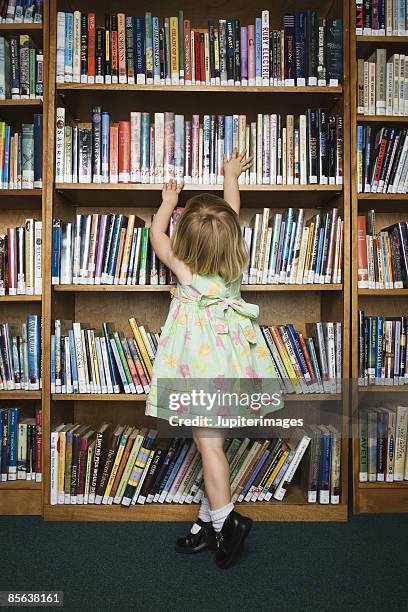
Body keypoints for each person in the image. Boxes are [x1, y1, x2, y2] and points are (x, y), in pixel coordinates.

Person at [147, 149, 282, 569]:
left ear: (186, 239)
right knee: (214, 447)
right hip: (232, 371)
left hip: (200, 377)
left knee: (208, 449)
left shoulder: (185, 270)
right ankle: (207, 521)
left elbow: (157, 238)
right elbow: (232, 213)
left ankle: (227, 522)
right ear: (231, 240)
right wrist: (230, 177)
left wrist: (169, 204)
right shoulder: (232, 269)